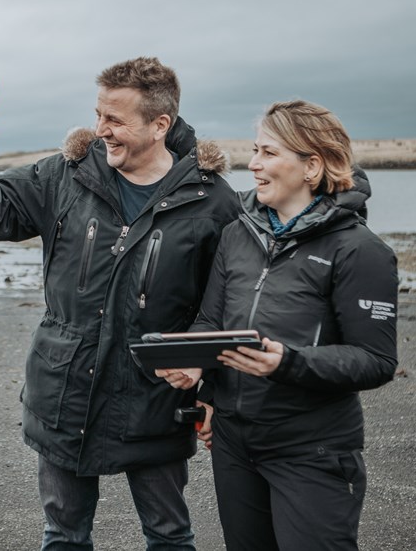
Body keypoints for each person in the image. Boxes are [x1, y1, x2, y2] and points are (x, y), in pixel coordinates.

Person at [0, 57, 240, 549]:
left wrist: (211, 385)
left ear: (160, 125)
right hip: (65, 393)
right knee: (63, 535)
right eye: (99, 114)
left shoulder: (211, 200)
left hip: (155, 401)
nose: (100, 129)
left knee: (169, 535)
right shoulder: (65, 174)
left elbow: (228, 302)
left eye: (116, 120)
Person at [158, 99, 399, 550]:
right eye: (255, 151)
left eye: (268, 153)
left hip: (312, 449)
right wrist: (197, 372)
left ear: (312, 166)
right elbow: (213, 321)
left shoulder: (360, 250)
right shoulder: (238, 233)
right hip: (234, 444)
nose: (253, 164)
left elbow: (376, 360)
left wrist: (286, 363)